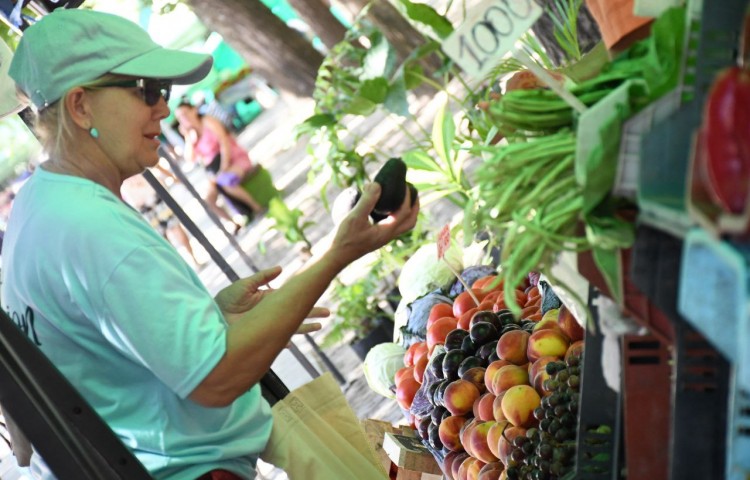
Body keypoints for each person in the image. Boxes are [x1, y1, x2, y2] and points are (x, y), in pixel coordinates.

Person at [2, 9, 418, 480]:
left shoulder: (40, 204)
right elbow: (217, 378)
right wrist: (339, 253)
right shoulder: (93, 228)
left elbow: (103, 356)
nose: (164, 108)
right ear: (81, 106)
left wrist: (209, 317)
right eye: (147, 90)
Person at [174, 100, 265, 226]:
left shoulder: (207, 121)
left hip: (233, 159)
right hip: (215, 171)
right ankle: (234, 223)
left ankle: (257, 208)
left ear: (193, 110)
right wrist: (188, 138)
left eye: (185, 113)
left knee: (226, 181)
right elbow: (190, 159)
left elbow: (224, 141)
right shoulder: (191, 134)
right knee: (209, 200)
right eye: (180, 117)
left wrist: (224, 167)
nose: (183, 118)